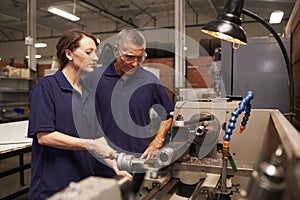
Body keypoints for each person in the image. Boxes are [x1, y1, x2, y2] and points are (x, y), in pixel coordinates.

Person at [27, 29, 131, 200]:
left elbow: (98, 137)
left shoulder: (88, 92)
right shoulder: (46, 87)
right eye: (88, 52)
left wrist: (115, 165)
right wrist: (91, 145)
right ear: (69, 54)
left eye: (96, 53)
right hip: (53, 185)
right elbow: (44, 137)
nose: (95, 58)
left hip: (84, 182)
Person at [85, 29, 174, 177]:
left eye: (140, 58)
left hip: (138, 163)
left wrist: (158, 140)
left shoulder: (149, 80)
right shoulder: (94, 78)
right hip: (103, 164)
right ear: (116, 52)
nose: (135, 64)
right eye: (130, 57)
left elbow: (170, 113)